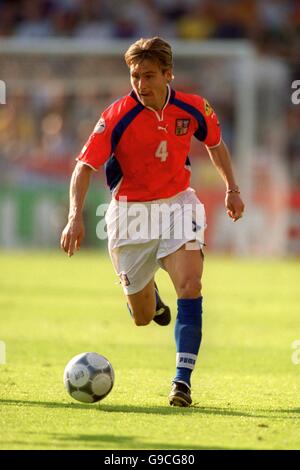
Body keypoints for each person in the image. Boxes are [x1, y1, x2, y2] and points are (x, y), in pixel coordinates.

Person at [61, 37, 244, 407]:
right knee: (143, 317)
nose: (141, 85)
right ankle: (151, 299)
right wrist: (74, 216)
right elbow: (84, 168)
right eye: (134, 76)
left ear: (168, 74)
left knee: (191, 284)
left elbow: (215, 143)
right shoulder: (117, 115)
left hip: (179, 205)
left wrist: (232, 188)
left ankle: (182, 381)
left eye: (148, 76)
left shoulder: (193, 108)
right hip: (129, 214)